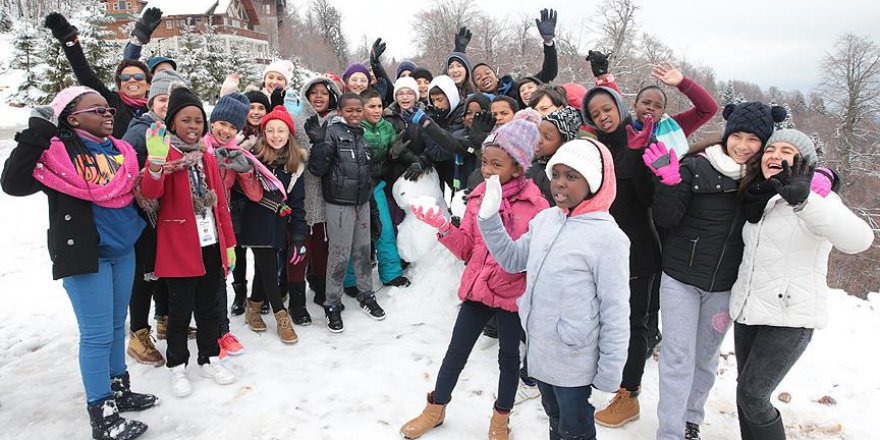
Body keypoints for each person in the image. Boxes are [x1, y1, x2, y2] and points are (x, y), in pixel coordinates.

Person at [2, 87, 156, 439]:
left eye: (108, 110)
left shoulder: (121, 152)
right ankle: (102, 414)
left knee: (116, 326)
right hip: (86, 256)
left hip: (123, 250)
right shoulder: (56, 155)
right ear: (72, 118)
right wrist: (39, 131)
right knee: (97, 334)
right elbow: (12, 183)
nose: (108, 114)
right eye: (97, 110)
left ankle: (118, 389)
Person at [399, 109, 549, 440]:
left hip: (511, 295)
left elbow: (527, 257)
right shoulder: (478, 195)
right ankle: (436, 408)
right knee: (456, 350)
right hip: (478, 289)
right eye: (485, 163)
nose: (488, 170)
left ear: (517, 166)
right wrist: (443, 226)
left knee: (508, 359)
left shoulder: (535, 205)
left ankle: (501, 418)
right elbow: (468, 249)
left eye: (497, 164)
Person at [646, 101, 782, 440]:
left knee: (705, 359)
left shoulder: (763, 179)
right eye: (737, 136)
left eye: (753, 139)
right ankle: (670, 431)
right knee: (678, 357)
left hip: (724, 286)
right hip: (680, 280)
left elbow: (801, 174)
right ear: (726, 134)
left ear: (764, 143)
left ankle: (691, 418)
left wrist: (829, 178)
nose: (743, 145)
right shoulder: (696, 166)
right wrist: (668, 183)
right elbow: (666, 219)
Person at [479, 139, 631, 440]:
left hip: (576, 362)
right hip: (541, 352)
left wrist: (609, 374)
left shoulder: (608, 238)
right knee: (554, 418)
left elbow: (615, 311)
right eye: (556, 174)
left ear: (593, 182)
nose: (560, 183)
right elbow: (512, 259)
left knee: (575, 428)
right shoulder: (546, 220)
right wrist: (489, 219)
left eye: (571, 176)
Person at [731, 129, 873, 440]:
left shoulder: (818, 197)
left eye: (786, 151)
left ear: (803, 161)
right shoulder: (758, 195)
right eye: (771, 150)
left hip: (789, 317)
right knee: (745, 393)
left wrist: (806, 200)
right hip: (749, 312)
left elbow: (860, 239)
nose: (775, 155)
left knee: (754, 396)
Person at [138, 87, 237, 397]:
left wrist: (229, 244)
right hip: (179, 248)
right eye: (186, 119)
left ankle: (209, 357)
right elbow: (150, 193)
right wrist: (155, 163)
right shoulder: (165, 155)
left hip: (210, 245)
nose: (193, 126)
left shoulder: (206, 157)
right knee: (179, 313)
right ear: (172, 122)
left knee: (209, 308)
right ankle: (177, 365)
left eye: (198, 120)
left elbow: (220, 205)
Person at [581, 86, 660, 428]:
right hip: (603, 251)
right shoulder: (595, 150)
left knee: (634, 323)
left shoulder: (641, 140)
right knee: (605, 319)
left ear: (620, 106)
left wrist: (638, 156)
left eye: (607, 108)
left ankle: (629, 395)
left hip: (638, 249)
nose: (603, 116)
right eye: (595, 113)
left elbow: (649, 198)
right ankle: (608, 378)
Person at [122, 69, 189, 366]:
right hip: (143, 219)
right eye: (162, 99)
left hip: (165, 217)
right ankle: (138, 335)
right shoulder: (141, 132)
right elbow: (127, 176)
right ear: (151, 102)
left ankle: (164, 320)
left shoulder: (174, 131)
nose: (166, 105)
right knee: (145, 277)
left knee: (163, 271)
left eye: (172, 100)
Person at [306, 93, 387, 332]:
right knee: (339, 255)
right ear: (340, 111)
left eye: (358, 110)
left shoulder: (362, 137)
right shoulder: (331, 133)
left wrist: (373, 211)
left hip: (361, 203)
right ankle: (332, 303)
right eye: (349, 110)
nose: (354, 114)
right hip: (339, 203)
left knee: (363, 252)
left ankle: (366, 294)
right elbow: (317, 169)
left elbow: (366, 177)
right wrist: (319, 144)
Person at [237, 105, 307, 342]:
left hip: (278, 224)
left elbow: (297, 203)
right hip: (255, 222)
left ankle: (254, 307)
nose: (276, 136)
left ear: (289, 134)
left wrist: (298, 236)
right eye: (270, 130)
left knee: (263, 269)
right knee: (268, 268)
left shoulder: (295, 165)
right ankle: (281, 316)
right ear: (264, 133)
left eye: (281, 130)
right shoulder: (254, 158)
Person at [45, 13, 153, 139]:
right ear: (120, 85)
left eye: (138, 77)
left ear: (148, 84)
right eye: (125, 78)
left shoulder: (158, 107)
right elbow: (85, 75)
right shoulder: (111, 102)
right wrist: (69, 40)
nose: (132, 80)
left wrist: (138, 40)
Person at [465, 9, 558, 100]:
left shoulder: (518, 88)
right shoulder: (476, 104)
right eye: (478, 78)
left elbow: (549, 73)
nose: (484, 77)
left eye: (487, 73)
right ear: (477, 87)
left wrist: (548, 43)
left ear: (497, 77)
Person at [528, 105, 582, 204]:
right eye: (538, 132)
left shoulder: (565, 174)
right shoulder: (529, 161)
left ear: (563, 143)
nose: (539, 139)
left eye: (547, 137)